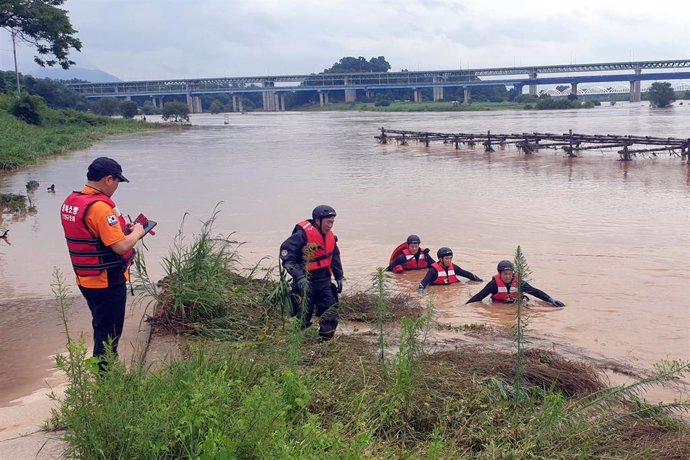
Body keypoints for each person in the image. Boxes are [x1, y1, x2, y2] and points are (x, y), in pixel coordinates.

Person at [61, 157, 147, 365]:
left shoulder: (71, 202)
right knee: (109, 334)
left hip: (86, 279)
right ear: (109, 179)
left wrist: (122, 232)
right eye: (117, 181)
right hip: (106, 281)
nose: (117, 187)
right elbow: (121, 247)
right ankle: (106, 382)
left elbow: (92, 236)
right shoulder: (100, 208)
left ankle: (105, 376)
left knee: (101, 327)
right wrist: (137, 232)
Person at [279, 205, 344, 341]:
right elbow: (287, 255)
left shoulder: (330, 237)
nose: (330, 225)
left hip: (324, 282)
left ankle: (323, 343)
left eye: (332, 222)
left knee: (330, 314)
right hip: (305, 282)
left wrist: (339, 276)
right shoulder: (302, 235)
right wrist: (299, 277)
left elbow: (335, 257)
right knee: (302, 317)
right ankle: (294, 343)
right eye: (328, 222)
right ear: (317, 221)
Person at [465, 260, 566, 307]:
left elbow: (535, 292)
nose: (508, 276)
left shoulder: (519, 282)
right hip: (499, 304)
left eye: (510, 274)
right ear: (499, 273)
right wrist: (465, 306)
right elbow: (479, 297)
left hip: (518, 303)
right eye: (505, 274)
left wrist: (551, 300)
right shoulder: (493, 284)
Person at [418, 247, 483, 294]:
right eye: (446, 258)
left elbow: (468, 275)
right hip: (439, 294)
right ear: (440, 259)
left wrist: (480, 281)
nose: (449, 261)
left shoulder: (454, 267)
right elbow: (422, 285)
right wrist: (422, 295)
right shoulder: (433, 271)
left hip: (451, 294)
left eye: (450, 258)